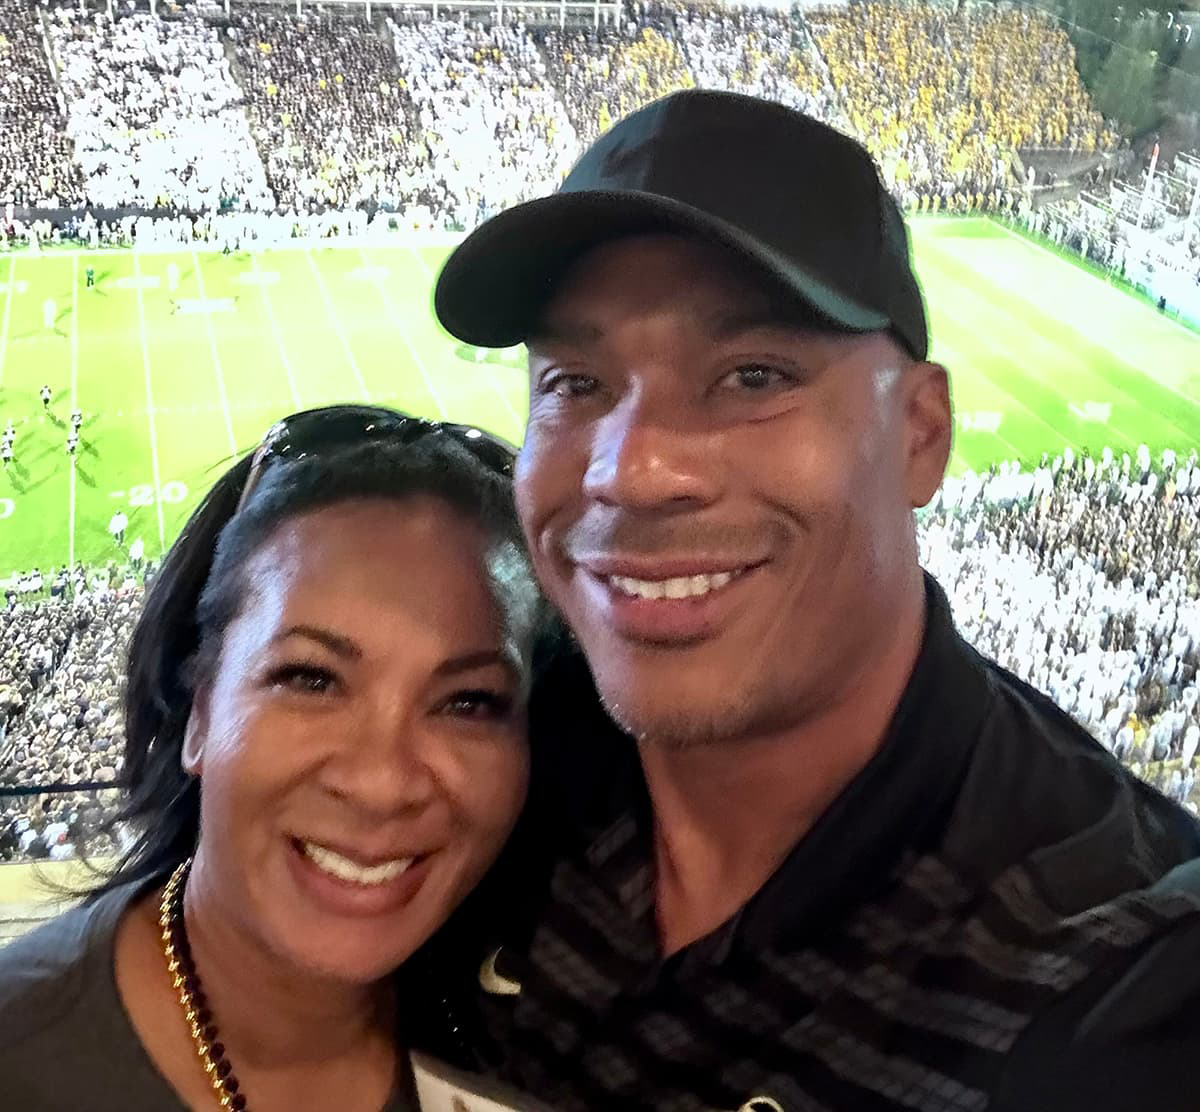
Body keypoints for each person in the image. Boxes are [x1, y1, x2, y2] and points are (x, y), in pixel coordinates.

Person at [419, 90, 1200, 1111]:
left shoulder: (1111, 983)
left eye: (752, 374)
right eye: (574, 382)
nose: (632, 470)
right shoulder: (482, 755)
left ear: (921, 433)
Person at [0, 405, 542, 1111]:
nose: (382, 783)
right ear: (198, 713)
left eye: (468, 701)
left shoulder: (549, 1047)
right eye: (310, 679)